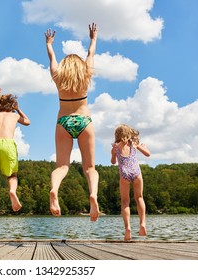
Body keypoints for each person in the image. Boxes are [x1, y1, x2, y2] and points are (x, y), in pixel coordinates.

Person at [45, 23, 100, 220]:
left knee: (62, 166)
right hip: (84, 120)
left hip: (64, 121)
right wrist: (93, 38)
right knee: (90, 168)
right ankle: (92, 194)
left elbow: (52, 58)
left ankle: (54, 190)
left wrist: (50, 44)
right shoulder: (86, 73)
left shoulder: (58, 76)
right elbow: (91, 54)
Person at [111, 124, 151, 241]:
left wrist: (113, 154)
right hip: (136, 172)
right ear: (129, 133)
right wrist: (142, 146)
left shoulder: (115, 147)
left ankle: (128, 228)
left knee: (125, 201)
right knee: (139, 197)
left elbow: (113, 162)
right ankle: (142, 224)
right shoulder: (133, 143)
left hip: (124, 174)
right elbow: (148, 154)